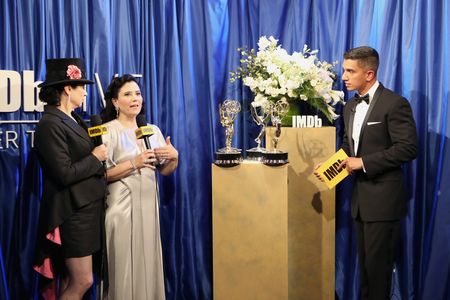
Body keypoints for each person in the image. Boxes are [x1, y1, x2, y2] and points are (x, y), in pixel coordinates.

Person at [315, 47, 418, 300]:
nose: (344, 76)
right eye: (344, 70)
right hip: (361, 202)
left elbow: (408, 148)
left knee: (378, 273)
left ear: (369, 73)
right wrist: (330, 167)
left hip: (383, 203)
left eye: (350, 71)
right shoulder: (350, 106)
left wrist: (362, 163)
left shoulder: (395, 104)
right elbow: (349, 149)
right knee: (366, 273)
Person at [33, 58, 108, 299]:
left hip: (86, 209)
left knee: (70, 280)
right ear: (68, 88)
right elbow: (64, 173)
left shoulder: (73, 118)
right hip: (72, 212)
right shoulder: (50, 123)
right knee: (83, 280)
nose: (86, 93)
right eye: (82, 87)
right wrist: (96, 157)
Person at [100, 74, 178, 299]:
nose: (135, 98)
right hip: (120, 209)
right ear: (115, 102)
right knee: (123, 267)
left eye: (137, 93)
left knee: (148, 264)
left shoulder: (152, 130)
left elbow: (164, 170)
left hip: (148, 209)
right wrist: (133, 163)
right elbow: (98, 175)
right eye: (127, 94)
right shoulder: (107, 130)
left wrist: (174, 157)